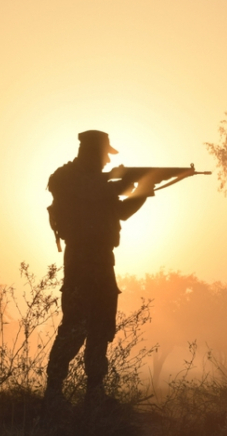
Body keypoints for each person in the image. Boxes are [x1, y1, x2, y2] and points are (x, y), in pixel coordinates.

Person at [43, 130, 147, 412]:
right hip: (80, 260)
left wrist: (142, 193)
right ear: (92, 151)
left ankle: (95, 393)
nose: (105, 161)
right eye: (103, 154)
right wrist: (121, 181)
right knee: (75, 327)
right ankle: (53, 392)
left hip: (104, 260)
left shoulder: (100, 185)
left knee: (101, 326)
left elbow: (120, 212)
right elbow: (92, 193)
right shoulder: (66, 177)